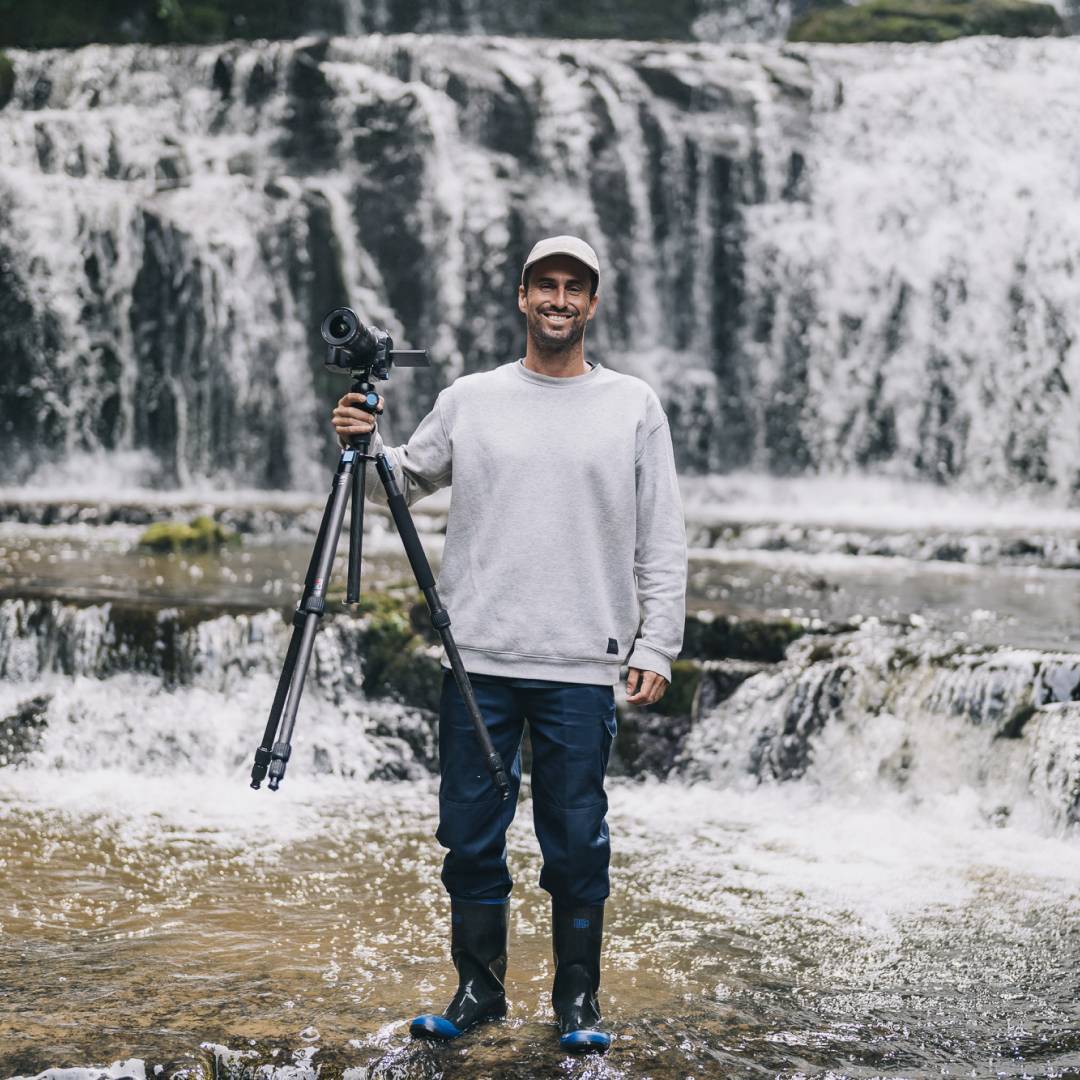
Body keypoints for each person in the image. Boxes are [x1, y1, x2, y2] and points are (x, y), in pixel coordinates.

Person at [331, 235, 687, 1054]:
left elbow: (662, 537)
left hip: (581, 661)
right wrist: (357, 441)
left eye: (574, 288)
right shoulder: (470, 399)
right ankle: (479, 992)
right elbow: (401, 481)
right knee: (470, 836)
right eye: (545, 286)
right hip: (477, 659)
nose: (559, 300)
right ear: (523, 297)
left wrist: (656, 644)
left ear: (592, 304)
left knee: (576, 841)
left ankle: (578, 1002)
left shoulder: (633, 405)